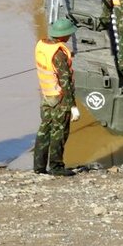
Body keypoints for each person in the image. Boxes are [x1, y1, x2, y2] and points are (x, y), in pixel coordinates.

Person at [33, 18, 80, 176]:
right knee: (59, 132)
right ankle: (56, 166)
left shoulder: (42, 46)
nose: (69, 37)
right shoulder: (59, 54)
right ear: (62, 36)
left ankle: (39, 167)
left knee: (44, 130)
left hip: (46, 95)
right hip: (60, 98)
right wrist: (72, 106)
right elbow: (65, 81)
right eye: (68, 34)